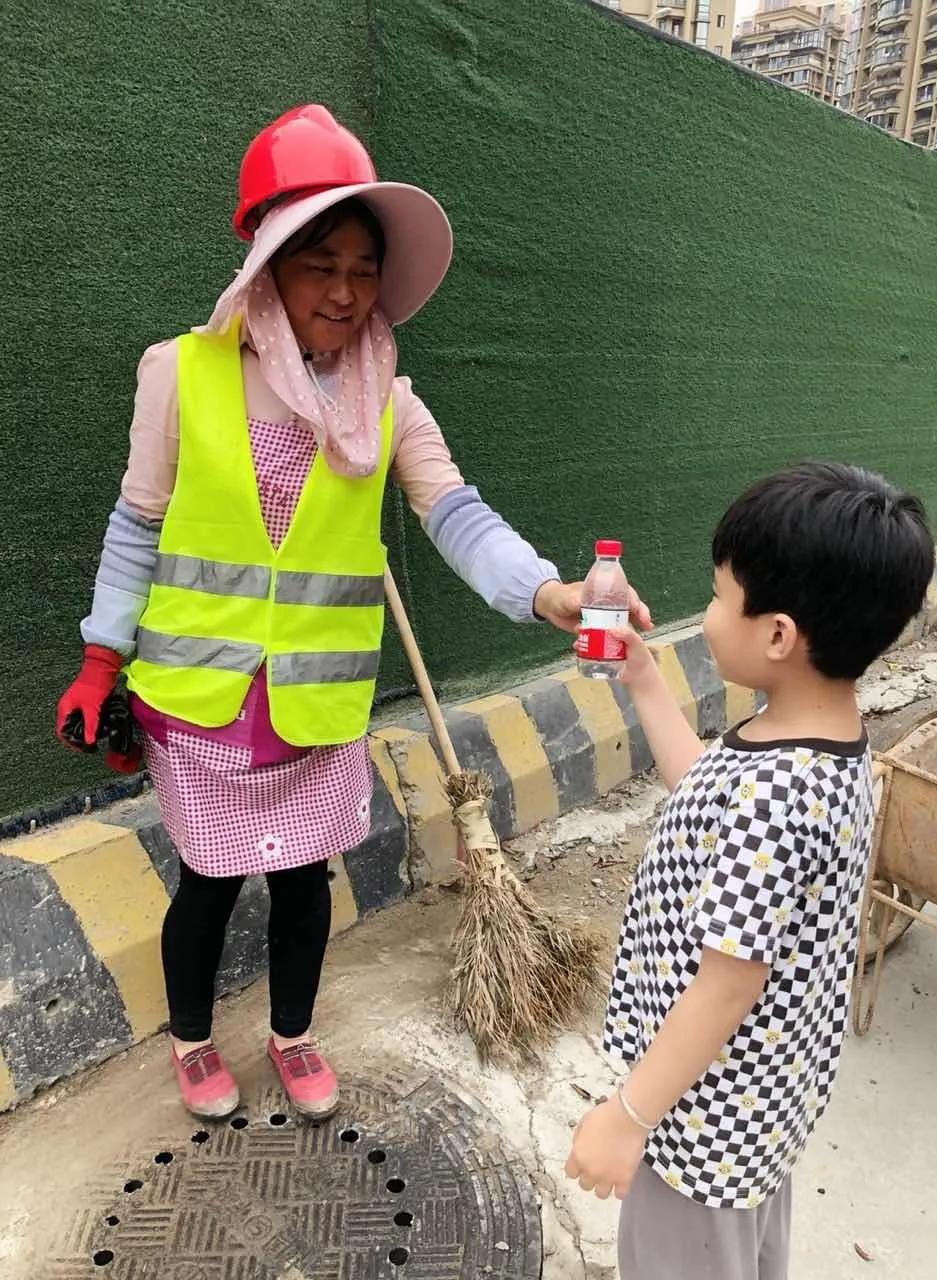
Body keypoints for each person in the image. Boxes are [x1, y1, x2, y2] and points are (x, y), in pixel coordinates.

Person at [55, 104, 648, 1122]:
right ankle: (195, 1041)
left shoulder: (389, 399)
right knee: (206, 882)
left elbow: (454, 510)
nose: (342, 290)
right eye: (318, 261)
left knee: (298, 884)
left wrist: (549, 592)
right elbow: (136, 524)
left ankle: (290, 1032)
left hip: (316, 707)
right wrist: (101, 660)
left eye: (363, 268)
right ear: (268, 264)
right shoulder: (180, 373)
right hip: (200, 701)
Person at [565, 462, 934, 1279]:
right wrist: (645, 679)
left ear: (777, 635)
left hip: (701, 1123)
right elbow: (706, 791)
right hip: (757, 1106)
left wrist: (628, 1116)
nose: (707, 611)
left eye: (720, 594)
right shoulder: (812, 741)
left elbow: (726, 985)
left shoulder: (780, 795)